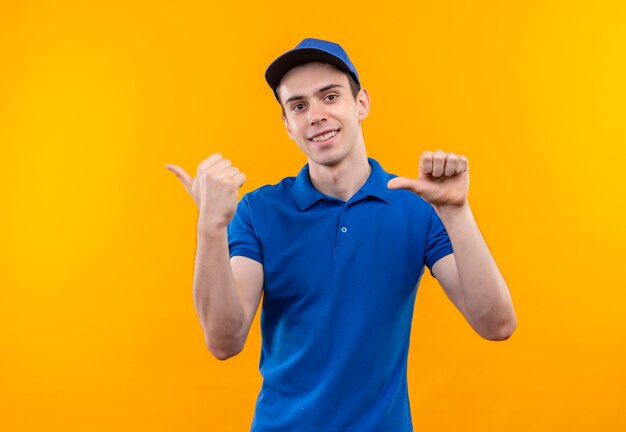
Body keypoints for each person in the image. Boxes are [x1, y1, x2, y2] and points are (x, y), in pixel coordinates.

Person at [166, 38, 517, 432]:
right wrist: (211, 229)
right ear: (287, 124)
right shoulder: (259, 211)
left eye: (329, 96)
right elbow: (224, 341)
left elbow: (496, 324)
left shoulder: (418, 206)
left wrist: (457, 212)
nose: (315, 115)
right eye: (298, 106)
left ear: (361, 103)